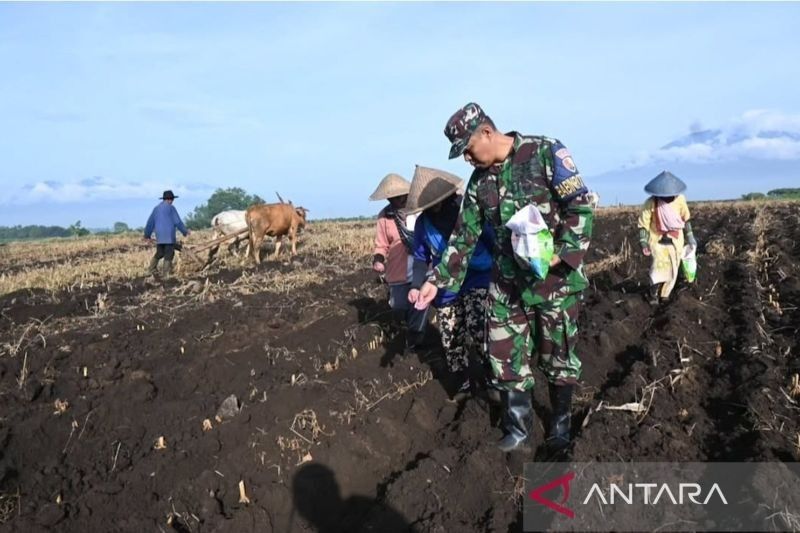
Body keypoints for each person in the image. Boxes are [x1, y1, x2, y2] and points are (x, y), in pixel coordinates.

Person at [416, 103, 594, 453]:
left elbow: (581, 207)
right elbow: (464, 236)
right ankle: (518, 429)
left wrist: (562, 252)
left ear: (486, 132)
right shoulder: (479, 183)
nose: (467, 159)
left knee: (558, 356)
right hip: (506, 285)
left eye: (468, 150)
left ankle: (558, 425)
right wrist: (434, 281)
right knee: (503, 352)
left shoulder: (545, 152)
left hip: (553, 282)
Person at [404, 165, 494, 402]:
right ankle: (463, 383)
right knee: (451, 335)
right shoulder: (423, 223)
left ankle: (491, 378)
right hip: (444, 284)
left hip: (478, 275)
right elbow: (422, 259)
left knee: (478, 325)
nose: (431, 207)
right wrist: (415, 285)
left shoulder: (468, 210)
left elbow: (492, 239)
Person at [369, 173, 429, 353]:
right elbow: (381, 244)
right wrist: (378, 259)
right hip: (398, 270)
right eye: (392, 198)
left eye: (399, 196)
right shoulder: (384, 217)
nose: (396, 200)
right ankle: (407, 331)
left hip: (421, 266)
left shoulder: (420, 211)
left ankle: (415, 340)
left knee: (419, 304)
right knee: (398, 306)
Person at [637, 171, 697, 304]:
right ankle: (653, 294)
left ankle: (665, 294)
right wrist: (644, 243)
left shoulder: (680, 200)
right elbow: (643, 225)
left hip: (676, 239)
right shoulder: (650, 203)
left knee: (674, 267)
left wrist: (690, 237)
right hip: (656, 239)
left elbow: (686, 219)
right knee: (657, 266)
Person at [143, 190, 190, 277]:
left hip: (159, 236)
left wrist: (147, 235)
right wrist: (185, 232)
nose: (172, 201)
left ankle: (150, 269)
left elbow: (150, 223)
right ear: (170, 199)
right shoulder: (171, 208)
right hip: (169, 236)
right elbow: (178, 222)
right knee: (169, 254)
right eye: (172, 200)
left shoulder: (156, 209)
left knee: (160, 253)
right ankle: (166, 274)